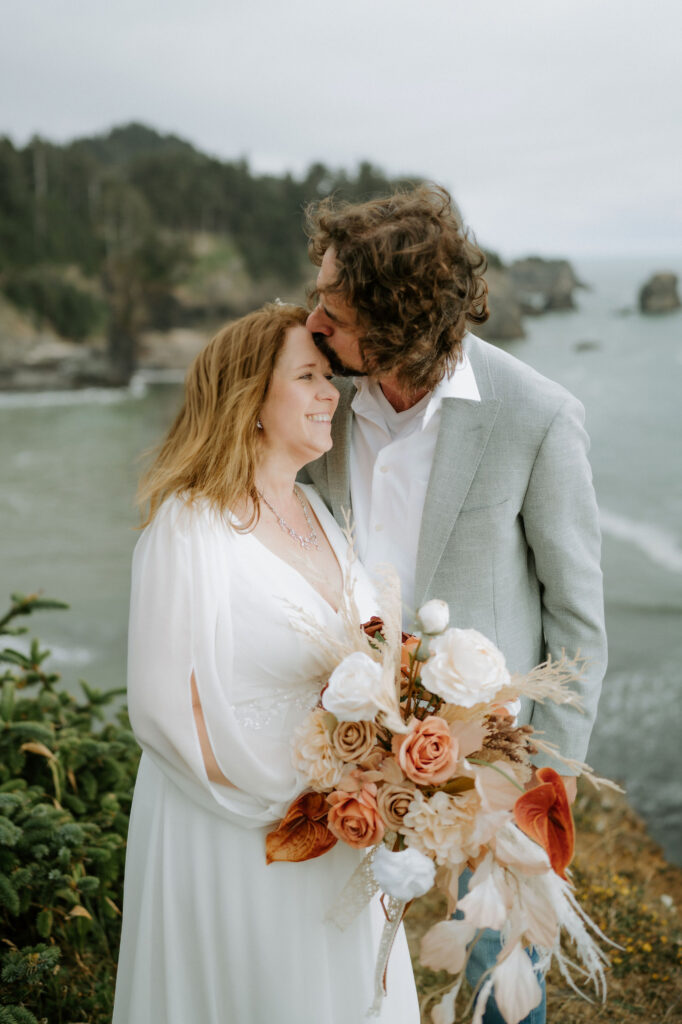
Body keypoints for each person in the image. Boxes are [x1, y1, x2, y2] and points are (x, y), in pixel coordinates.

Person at [302, 184, 607, 1024]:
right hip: (343, 741)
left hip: (492, 760)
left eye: (334, 304)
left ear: (397, 320)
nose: (314, 319)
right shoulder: (312, 398)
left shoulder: (537, 418)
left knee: (496, 976)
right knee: (343, 959)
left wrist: (549, 786)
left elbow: (578, 620)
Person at [112, 303, 420, 1024]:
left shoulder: (320, 512)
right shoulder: (189, 526)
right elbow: (162, 710)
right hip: (230, 832)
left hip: (338, 824)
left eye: (330, 376)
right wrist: (307, 788)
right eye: (309, 376)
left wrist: (380, 768)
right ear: (251, 397)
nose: (332, 393)